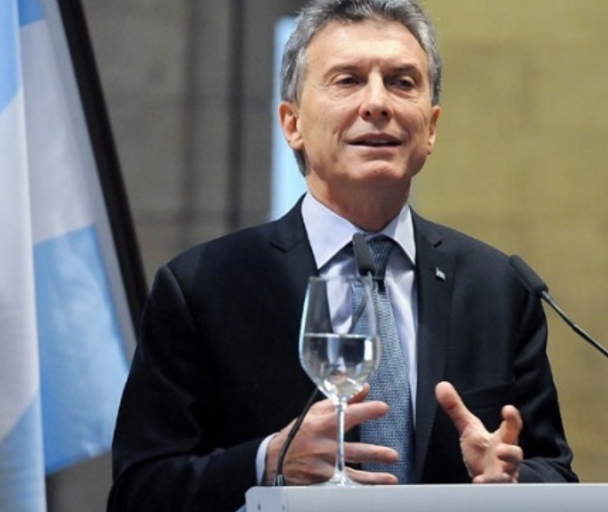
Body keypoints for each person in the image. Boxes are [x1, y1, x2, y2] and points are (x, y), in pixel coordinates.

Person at [108, 0, 577, 510]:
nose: (377, 103)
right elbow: (139, 490)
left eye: (402, 82)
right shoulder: (204, 286)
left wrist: (511, 483)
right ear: (292, 124)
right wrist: (266, 463)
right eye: (348, 80)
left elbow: (555, 472)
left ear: (431, 128)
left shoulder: (497, 287)